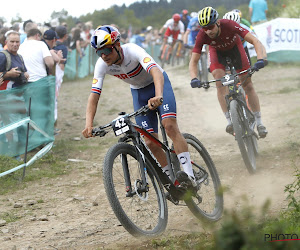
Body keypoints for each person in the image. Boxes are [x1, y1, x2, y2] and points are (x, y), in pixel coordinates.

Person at [82, 25, 196, 187]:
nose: (103, 56)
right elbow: (94, 95)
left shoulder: (132, 50)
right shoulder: (102, 65)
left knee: (169, 125)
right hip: (139, 93)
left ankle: (190, 176)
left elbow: (156, 72)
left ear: (117, 45)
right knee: (149, 142)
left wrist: (158, 95)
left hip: (158, 83)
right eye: (99, 53)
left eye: (106, 50)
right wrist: (88, 124)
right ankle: (174, 182)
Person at [189, 7, 268, 138]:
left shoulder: (229, 25)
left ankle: (259, 122)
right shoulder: (202, 35)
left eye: (211, 26)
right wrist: (193, 78)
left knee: (247, 85)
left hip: (235, 49)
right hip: (217, 53)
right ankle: (230, 121)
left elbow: (255, 41)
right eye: (205, 28)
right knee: (219, 82)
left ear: (218, 22)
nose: (208, 31)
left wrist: (260, 59)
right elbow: (193, 61)